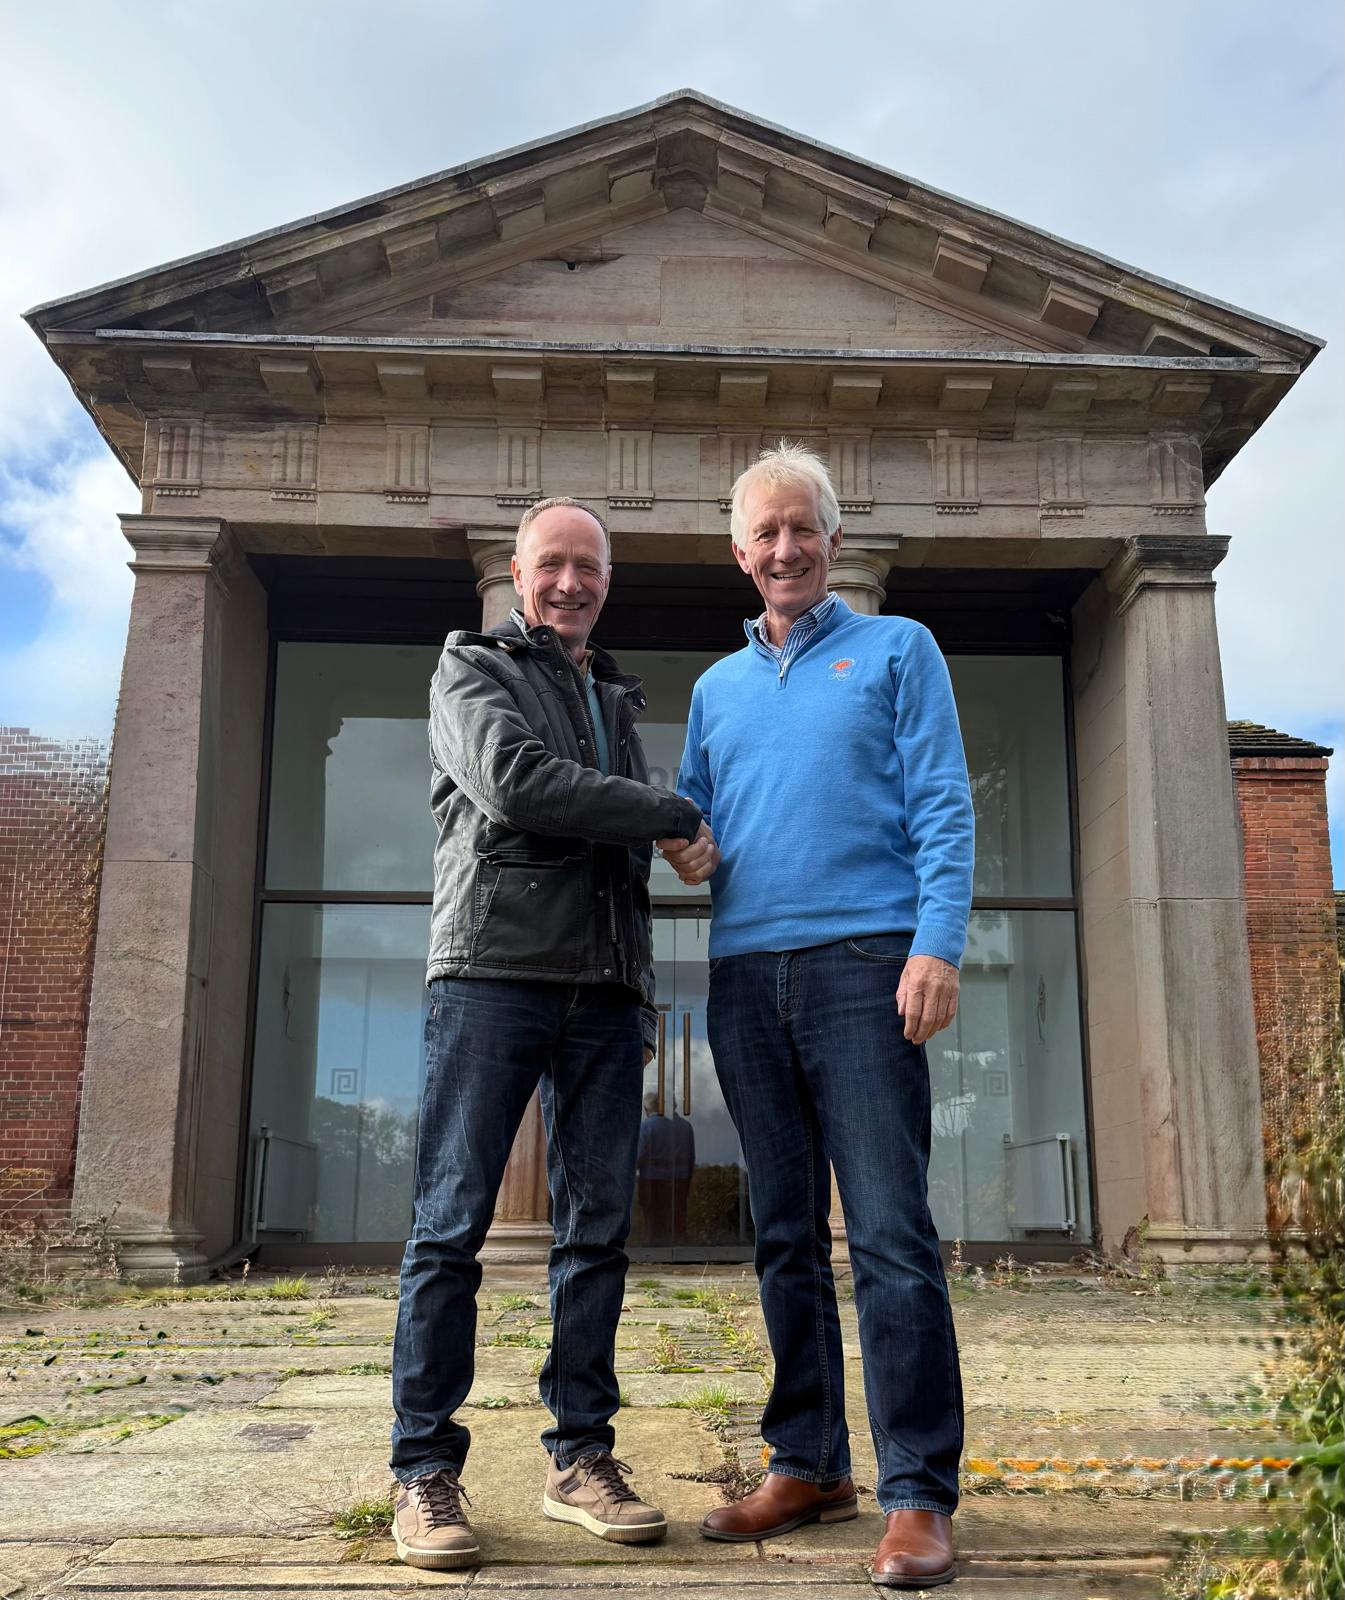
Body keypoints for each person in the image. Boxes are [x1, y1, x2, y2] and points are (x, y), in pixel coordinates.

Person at [665, 441, 974, 1590]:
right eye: (765, 533)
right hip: (746, 976)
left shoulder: (899, 650)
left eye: (804, 528)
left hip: (864, 966)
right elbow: (700, 819)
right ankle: (808, 1463)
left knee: (889, 1233)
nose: (785, 548)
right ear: (739, 552)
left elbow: (943, 801)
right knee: (781, 1234)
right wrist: (681, 839)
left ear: (833, 542)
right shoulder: (714, 688)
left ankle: (916, 1493)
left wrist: (935, 941)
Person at [389, 497, 717, 1570]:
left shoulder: (612, 699)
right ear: (519, 575)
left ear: (606, 582)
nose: (571, 582)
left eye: (589, 567)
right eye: (552, 565)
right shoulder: (468, 669)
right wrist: (667, 813)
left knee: (596, 1235)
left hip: (607, 990)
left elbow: (603, 825)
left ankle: (581, 1454)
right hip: (493, 972)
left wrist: (667, 841)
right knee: (450, 1227)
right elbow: (516, 785)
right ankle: (422, 1470)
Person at [636, 1088, 697, 1241]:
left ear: (648, 1107)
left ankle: (653, 1251)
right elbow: (691, 1159)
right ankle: (680, 1248)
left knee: (652, 1221)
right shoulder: (686, 1126)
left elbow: (638, 1157)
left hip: (651, 1181)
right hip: (680, 1180)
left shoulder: (646, 1126)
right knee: (677, 1219)